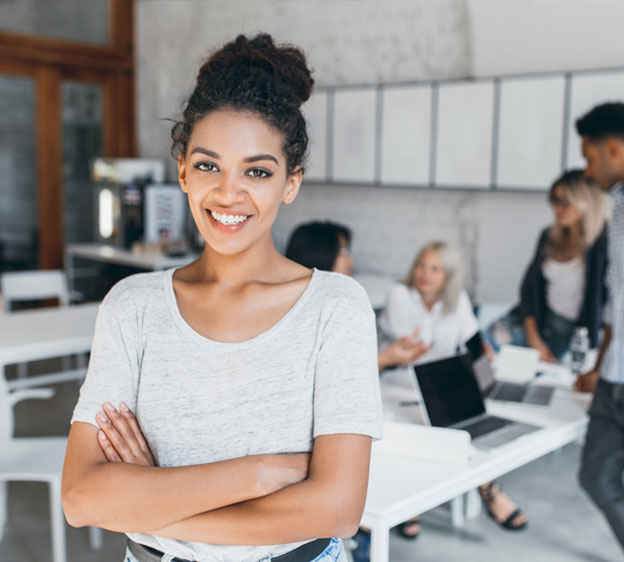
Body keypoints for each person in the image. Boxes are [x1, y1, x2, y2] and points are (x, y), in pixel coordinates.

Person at [61, 34, 383, 562]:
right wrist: (258, 474)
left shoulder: (335, 309)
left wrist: (148, 497)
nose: (229, 193)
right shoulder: (132, 307)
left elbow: (337, 510)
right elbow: (80, 498)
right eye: (209, 165)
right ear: (183, 170)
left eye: (257, 171)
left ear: (291, 183)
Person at [379, 241, 528, 537]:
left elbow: (472, 340)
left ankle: (487, 487)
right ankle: (411, 500)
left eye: (435, 268)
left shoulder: (456, 298)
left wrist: (483, 358)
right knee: (421, 427)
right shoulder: (400, 294)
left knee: (466, 423)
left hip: (443, 384)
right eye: (421, 265)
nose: (425, 274)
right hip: (401, 382)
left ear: (448, 274)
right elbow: (411, 344)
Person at [486, 169, 610, 362]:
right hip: (534, 320)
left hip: (565, 332)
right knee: (483, 343)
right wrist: (533, 337)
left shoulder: (601, 245)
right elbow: (528, 290)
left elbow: (604, 303)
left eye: (564, 201)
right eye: (554, 200)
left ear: (584, 201)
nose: (557, 208)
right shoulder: (548, 237)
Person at [575, 102, 624, 552]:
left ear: (613, 148)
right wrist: (600, 362)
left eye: (590, 158)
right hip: (613, 379)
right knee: (595, 476)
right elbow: (616, 303)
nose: (588, 172)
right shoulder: (617, 209)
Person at [285, 221, 430, 372]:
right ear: (320, 253)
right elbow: (336, 376)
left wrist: (388, 357)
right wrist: (385, 359)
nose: (351, 261)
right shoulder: (307, 315)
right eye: (344, 252)